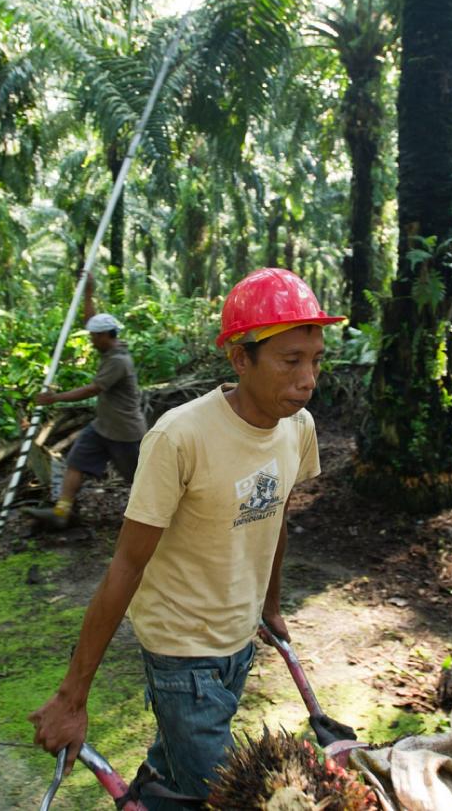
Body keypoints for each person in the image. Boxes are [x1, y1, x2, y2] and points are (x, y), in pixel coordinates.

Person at [28, 268, 344, 806]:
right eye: (290, 361)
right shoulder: (180, 436)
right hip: (181, 650)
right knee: (217, 793)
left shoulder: (299, 427)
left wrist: (269, 605)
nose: (307, 378)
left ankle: (154, 791)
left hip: (238, 639)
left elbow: (275, 517)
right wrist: (71, 697)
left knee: (178, 766)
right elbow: (125, 565)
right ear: (240, 359)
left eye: (314, 360)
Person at [31, 273, 147, 528]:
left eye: (95, 337)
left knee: (140, 479)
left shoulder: (119, 361)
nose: (91, 340)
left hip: (125, 432)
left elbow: (92, 389)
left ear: (107, 336)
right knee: (77, 461)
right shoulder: (109, 348)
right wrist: (87, 294)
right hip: (102, 427)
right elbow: (89, 321)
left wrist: (54, 399)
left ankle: (163, 515)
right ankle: (62, 512)